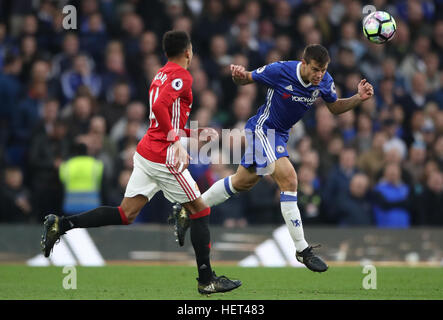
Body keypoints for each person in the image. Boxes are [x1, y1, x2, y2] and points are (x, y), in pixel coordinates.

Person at [40, 30, 241, 295]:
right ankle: (207, 280)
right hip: (163, 156)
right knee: (201, 211)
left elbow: (164, 116)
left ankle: (60, 224)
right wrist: (176, 141)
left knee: (126, 214)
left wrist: (194, 133)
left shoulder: (161, 74)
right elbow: (159, 107)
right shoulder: (182, 75)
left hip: (148, 151)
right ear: (188, 52)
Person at [171, 44, 374, 273]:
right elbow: (247, 78)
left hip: (280, 136)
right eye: (316, 69)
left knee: (241, 183)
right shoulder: (281, 70)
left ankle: (188, 210)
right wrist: (239, 76)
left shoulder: (325, 81)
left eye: (323, 69)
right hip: (263, 129)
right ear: (304, 63)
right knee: (290, 179)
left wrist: (358, 98)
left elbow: (335, 108)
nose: (319, 74)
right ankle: (302, 249)